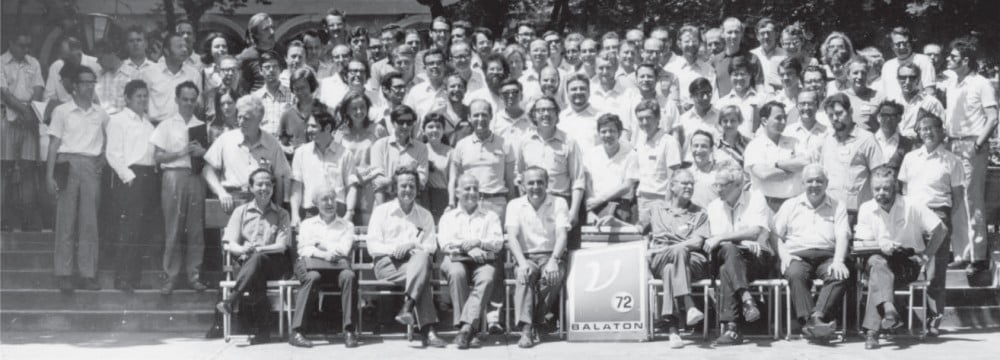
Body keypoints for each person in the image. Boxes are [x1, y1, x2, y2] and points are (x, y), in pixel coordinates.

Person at [855, 165, 947, 349]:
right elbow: (859, 244)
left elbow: (941, 230)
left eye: (886, 188)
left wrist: (927, 256)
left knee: (876, 272)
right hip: (878, 260)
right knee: (876, 263)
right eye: (876, 189)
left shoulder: (911, 205)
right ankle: (888, 310)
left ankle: (873, 331)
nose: (881, 193)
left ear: (895, 188)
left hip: (907, 263)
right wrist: (881, 245)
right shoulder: (866, 208)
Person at [898, 113, 965, 336]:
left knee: (935, 275)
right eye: (923, 128)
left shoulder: (952, 161)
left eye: (932, 128)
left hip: (938, 216)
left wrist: (941, 218)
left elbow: (957, 197)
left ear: (941, 130)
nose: (928, 132)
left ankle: (933, 322)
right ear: (918, 132)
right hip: (913, 217)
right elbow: (904, 191)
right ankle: (900, 319)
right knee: (905, 266)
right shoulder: (909, 158)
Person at [46, 65, 109, 293]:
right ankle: (64, 273)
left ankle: (87, 273)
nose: (90, 86)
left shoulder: (100, 113)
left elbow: (112, 137)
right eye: (85, 82)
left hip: (90, 166)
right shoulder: (62, 111)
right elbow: (53, 145)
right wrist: (49, 175)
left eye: (93, 82)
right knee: (66, 221)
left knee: (89, 222)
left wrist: (103, 155)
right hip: (67, 163)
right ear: (74, 86)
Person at [367, 167, 445, 347]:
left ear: (418, 189)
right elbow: (373, 246)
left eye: (412, 186)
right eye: (403, 186)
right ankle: (427, 329)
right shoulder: (382, 211)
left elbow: (431, 246)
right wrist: (396, 248)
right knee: (422, 270)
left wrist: (412, 245)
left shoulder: (424, 215)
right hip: (387, 264)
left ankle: (409, 308)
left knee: (422, 259)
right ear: (395, 188)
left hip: (415, 263)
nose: (408, 190)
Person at [773, 164, 851, 340]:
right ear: (802, 183)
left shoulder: (838, 206)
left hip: (827, 255)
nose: (814, 184)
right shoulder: (790, 205)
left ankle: (815, 319)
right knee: (794, 273)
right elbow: (774, 235)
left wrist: (838, 260)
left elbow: (842, 235)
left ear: (826, 183)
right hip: (797, 255)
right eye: (810, 181)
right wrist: (784, 255)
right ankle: (813, 323)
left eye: (819, 181)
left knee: (838, 274)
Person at [216, 168, 291, 345]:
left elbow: (281, 246)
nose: (264, 188)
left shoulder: (282, 214)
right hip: (245, 264)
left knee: (258, 259)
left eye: (268, 184)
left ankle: (232, 299)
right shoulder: (240, 212)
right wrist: (242, 249)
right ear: (251, 188)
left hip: (273, 264)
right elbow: (229, 243)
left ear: (273, 187)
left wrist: (259, 249)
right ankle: (263, 332)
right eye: (259, 184)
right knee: (255, 270)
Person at [703, 162, 774, 345]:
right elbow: (721, 240)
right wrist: (742, 240)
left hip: (756, 259)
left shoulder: (756, 198)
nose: (718, 189)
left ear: (738, 185)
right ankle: (747, 299)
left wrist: (733, 238)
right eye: (716, 185)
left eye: (723, 185)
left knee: (727, 268)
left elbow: (756, 232)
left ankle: (732, 328)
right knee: (729, 251)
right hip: (731, 255)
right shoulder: (714, 206)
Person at [942, 37, 997, 272]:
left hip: (972, 145)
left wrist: (977, 144)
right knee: (956, 200)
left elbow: (993, 117)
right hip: (953, 145)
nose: (948, 59)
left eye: (953, 57)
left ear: (966, 60)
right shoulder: (953, 84)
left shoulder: (981, 83)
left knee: (972, 200)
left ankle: (979, 257)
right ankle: (963, 253)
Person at [640, 169, 709, 349]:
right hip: (661, 257)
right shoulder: (656, 210)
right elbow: (639, 231)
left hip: (691, 260)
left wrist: (673, 247)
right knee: (675, 256)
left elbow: (697, 242)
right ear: (672, 186)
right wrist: (614, 221)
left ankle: (673, 330)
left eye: (692, 184)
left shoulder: (699, 212)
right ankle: (688, 303)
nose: (689, 186)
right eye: (684, 183)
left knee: (673, 264)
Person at [150, 80, 208, 294]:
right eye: (185, 99)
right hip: (173, 176)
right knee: (172, 227)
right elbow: (157, 157)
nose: (189, 103)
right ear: (176, 100)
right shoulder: (166, 124)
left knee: (195, 230)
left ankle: (194, 275)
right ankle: (171, 276)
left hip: (195, 177)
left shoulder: (201, 125)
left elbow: (208, 156)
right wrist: (182, 152)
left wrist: (202, 152)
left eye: (193, 100)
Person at [288, 183, 359, 348]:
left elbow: (343, 249)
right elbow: (304, 248)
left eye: (332, 199)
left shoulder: (347, 225)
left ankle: (349, 331)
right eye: (324, 199)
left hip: (337, 267)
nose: (329, 203)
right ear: (315, 203)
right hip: (310, 265)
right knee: (313, 277)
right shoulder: (307, 224)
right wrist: (324, 253)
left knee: (349, 276)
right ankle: (297, 332)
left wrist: (319, 244)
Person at [506, 166, 569, 348]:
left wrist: (553, 261)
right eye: (531, 183)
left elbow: (562, 235)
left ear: (547, 183)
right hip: (526, 256)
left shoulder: (559, 203)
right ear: (523, 185)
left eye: (540, 182)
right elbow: (512, 237)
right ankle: (526, 330)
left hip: (551, 254)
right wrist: (522, 262)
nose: (536, 187)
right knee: (524, 276)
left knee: (554, 276)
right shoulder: (514, 205)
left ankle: (537, 320)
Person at [438, 174, 504, 349]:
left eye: (475, 188)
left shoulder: (490, 216)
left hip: (482, 260)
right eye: (467, 188)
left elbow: (497, 243)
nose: (472, 192)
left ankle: (465, 329)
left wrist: (479, 243)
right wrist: (468, 247)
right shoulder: (449, 216)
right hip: (455, 259)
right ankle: (468, 331)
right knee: (456, 273)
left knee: (487, 278)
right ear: (457, 192)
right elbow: (445, 243)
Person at [105, 80, 157, 292]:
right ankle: (122, 278)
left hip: (148, 176)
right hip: (130, 176)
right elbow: (113, 153)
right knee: (128, 229)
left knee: (143, 230)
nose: (143, 100)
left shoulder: (148, 124)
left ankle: (135, 277)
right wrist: (128, 176)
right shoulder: (118, 121)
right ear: (127, 98)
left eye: (145, 96)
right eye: (138, 96)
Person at [516, 97, 586, 249]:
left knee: (565, 252)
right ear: (534, 115)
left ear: (557, 114)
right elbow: (519, 175)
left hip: (560, 204)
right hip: (533, 204)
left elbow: (578, 180)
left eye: (550, 110)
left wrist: (573, 211)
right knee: (537, 250)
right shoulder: (525, 141)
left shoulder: (569, 142)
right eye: (541, 110)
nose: (545, 114)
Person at [203, 95, 291, 214]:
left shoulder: (272, 143)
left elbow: (280, 178)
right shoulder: (225, 139)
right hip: (231, 202)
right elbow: (207, 170)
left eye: (246, 118)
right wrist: (221, 192)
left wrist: (277, 212)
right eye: (239, 117)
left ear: (259, 119)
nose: (241, 122)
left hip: (262, 203)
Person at [1, 32, 45, 231]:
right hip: (7, 118)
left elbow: (38, 90)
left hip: (29, 118)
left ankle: (28, 218)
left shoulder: (33, 63)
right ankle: (2, 217)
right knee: (5, 169)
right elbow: (5, 94)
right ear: (11, 42)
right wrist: (22, 111)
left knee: (28, 168)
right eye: (21, 45)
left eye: (28, 45)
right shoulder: (1, 62)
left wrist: (29, 112)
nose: (25, 49)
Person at [818, 93, 885, 223]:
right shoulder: (827, 141)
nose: (835, 118)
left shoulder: (867, 139)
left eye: (839, 113)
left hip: (859, 213)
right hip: (830, 212)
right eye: (831, 115)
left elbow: (880, 177)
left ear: (850, 111)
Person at [290, 111, 355, 227]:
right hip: (310, 211)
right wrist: (295, 214)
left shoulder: (345, 154)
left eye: (314, 126)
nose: (309, 130)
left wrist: (349, 213)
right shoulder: (301, 153)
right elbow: (296, 188)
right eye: (308, 126)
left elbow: (351, 186)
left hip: (337, 210)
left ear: (328, 127)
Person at [744, 101, 810, 210]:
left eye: (785, 118)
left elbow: (805, 163)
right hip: (767, 205)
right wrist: (793, 168)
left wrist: (777, 164)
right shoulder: (755, 146)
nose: (783, 122)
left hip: (795, 203)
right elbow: (763, 174)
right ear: (765, 121)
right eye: (778, 118)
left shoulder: (794, 141)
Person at [633, 99, 684, 224]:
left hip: (661, 200)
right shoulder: (640, 142)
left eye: (648, 118)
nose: (644, 122)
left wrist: (668, 205)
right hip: (642, 200)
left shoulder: (669, 142)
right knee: (644, 239)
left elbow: (673, 178)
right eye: (640, 119)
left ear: (657, 118)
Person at [583, 113, 639, 223]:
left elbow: (627, 186)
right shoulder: (591, 154)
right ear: (598, 134)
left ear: (619, 133)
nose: (608, 135)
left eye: (612, 131)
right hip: (595, 208)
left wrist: (600, 200)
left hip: (621, 208)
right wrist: (590, 211)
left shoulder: (631, 154)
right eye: (603, 131)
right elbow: (587, 182)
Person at [367, 105, 429, 205]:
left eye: (409, 122)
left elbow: (421, 181)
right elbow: (377, 181)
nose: (405, 126)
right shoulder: (380, 145)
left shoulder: (421, 148)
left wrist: (391, 181)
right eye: (401, 122)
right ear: (393, 122)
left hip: (411, 202)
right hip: (384, 201)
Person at [337, 91, 381, 225]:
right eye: (354, 108)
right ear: (346, 111)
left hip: (369, 187)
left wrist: (367, 177)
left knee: (368, 228)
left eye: (362, 107)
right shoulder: (339, 133)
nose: (359, 111)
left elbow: (382, 160)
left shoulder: (377, 130)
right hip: (348, 187)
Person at [142, 32, 202, 123]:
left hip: (184, 127)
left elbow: (198, 106)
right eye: (179, 47)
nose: (185, 49)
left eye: (185, 46)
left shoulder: (194, 74)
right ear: (166, 50)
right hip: (156, 127)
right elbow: (140, 105)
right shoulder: (149, 73)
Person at [880, 27, 937, 103]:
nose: (902, 47)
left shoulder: (923, 61)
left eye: (905, 43)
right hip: (894, 112)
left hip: (917, 110)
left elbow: (930, 92)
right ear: (892, 46)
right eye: (898, 44)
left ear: (911, 43)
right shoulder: (887, 66)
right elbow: (884, 94)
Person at [667, 25, 717, 111]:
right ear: (679, 44)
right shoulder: (670, 69)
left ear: (699, 43)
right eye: (687, 41)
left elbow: (714, 98)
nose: (691, 44)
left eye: (694, 41)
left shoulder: (708, 70)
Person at [711, 18, 764, 96]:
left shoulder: (752, 59)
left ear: (741, 34)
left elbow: (760, 88)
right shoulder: (714, 61)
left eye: (737, 32)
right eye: (729, 32)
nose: (733, 36)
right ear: (722, 34)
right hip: (722, 106)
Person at [280, 68, 326, 154]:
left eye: (303, 88)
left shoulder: (325, 111)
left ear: (311, 86)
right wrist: (288, 149)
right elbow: (281, 143)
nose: (300, 92)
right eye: (296, 89)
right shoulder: (287, 115)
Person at [896, 63, 944, 142]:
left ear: (918, 79)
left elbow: (941, 132)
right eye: (903, 77)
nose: (907, 82)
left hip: (920, 147)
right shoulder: (892, 101)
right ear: (897, 79)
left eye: (912, 78)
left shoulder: (931, 103)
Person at [44, 37, 101, 102]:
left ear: (78, 53)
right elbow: (48, 97)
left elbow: (99, 97)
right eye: (63, 58)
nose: (64, 62)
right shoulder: (56, 66)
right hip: (62, 109)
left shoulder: (96, 65)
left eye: (68, 58)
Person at [251, 51, 291, 138]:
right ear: (261, 71)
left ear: (280, 69)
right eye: (267, 67)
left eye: (275, 66)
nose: (271, 70)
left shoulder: (292, 96)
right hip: (262, 145)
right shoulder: (255, 98)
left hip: (285, 145)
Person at [236, 13, 277, 94]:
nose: (272, 32)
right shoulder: (247, 57)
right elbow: (242, 90)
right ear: (256, 34)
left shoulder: (281, 51)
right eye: (266, 29)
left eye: (272, 27)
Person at [841, 56, 885, 132]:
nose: (860, 76)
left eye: (863, 73)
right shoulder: (840, 97)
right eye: (855, 73)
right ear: (848, 75)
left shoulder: (879, 97)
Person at [422, 112, 452, 220]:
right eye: (430, 127)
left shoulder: (450, 152)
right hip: (423, 198)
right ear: (424, 130)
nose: (434, 130)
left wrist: (451, 203)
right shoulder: (419, 150)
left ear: (443, 130)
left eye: (438, 127)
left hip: (442, 197)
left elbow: (453, 180)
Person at [559, 74, 603, 147]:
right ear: (567, 93)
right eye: (574, 89)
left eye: (582, 88)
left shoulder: (600, 117)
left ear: (589, 92)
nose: (578, 92)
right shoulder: (560, 118)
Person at [675, 78, 719, 148]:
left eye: (708, 93)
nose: (705, 97)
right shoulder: (683, 121)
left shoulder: (720, 117)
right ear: (691, 96)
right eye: (701, 94)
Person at [873, 100, 915, 172]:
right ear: (878, 117)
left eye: (893, 116)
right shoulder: (867, 142)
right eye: (884, 115)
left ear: (899, 119)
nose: (888, 120)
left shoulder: (908, 145)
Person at [784, 91, 830, 157]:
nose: (806, 108)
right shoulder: (788, 132)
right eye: (802, 104)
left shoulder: (827, 132)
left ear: (817, 106)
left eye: (810, 103)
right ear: (797, 106)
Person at [492, 78, 533, 145]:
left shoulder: (530, 120)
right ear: (501, 98)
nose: (510, 96)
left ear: (521, 96)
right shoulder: (495, 120)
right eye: (506, 93)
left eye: (515, 92)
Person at [93, 40, 130, 115]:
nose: (98, 62)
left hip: (125, 121)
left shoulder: (131, 75)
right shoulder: (98, 77)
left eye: (100, 58)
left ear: (111, 54)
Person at [750, 18, 788, 91]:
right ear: (757, 36)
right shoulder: (751, 56)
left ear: (776, 34)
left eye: (769, 32)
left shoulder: (785, 55)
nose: (766, 36)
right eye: (762, 33)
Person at [688, 130, 721, 208]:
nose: (699, 150)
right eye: (696, 146)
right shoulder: (684, 174)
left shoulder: (719, 174)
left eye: (704, 146)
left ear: (711, 149)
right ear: (690, 148)